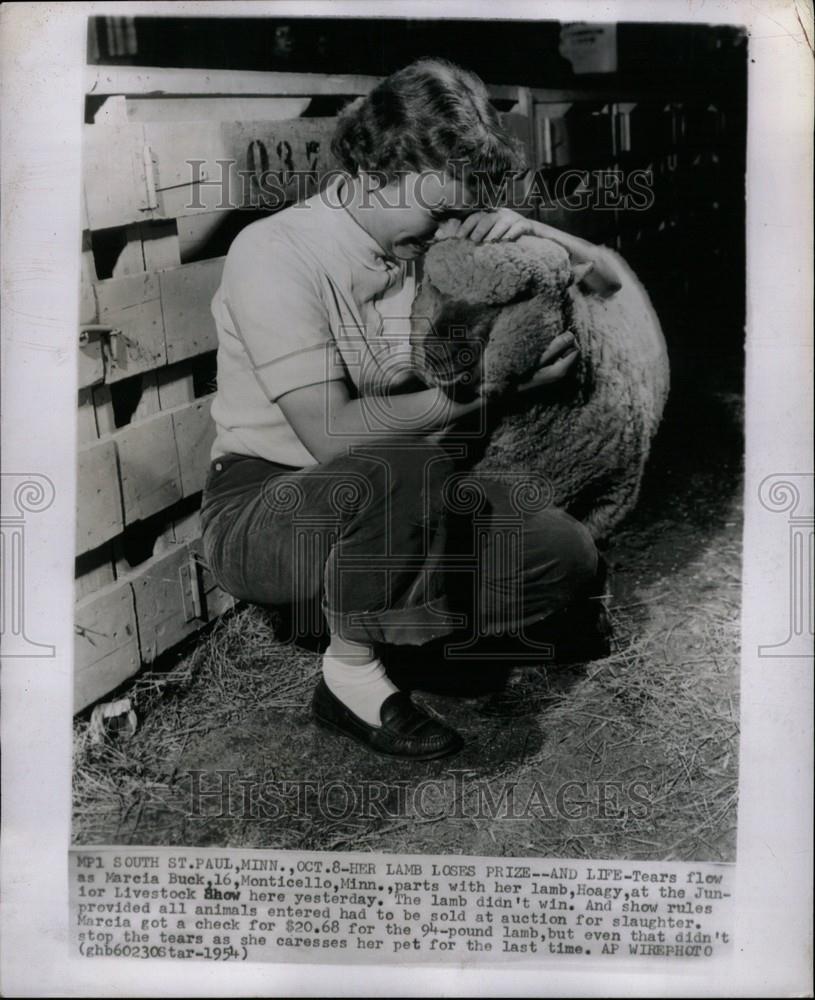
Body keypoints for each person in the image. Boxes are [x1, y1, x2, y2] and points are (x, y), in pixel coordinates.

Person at [200, 58, 622, 761]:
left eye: (461, 212)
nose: (447, 231)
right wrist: (495, 392)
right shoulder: (275, 251)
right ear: (373, 173)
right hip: (269, 504)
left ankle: (395, 627)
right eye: (439, 211)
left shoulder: (426, 238)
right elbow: (335, 438)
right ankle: (349, 674)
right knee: (403, 463)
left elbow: (605, 280)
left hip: (406, 501)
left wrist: (524, 230)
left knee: (564, 556)